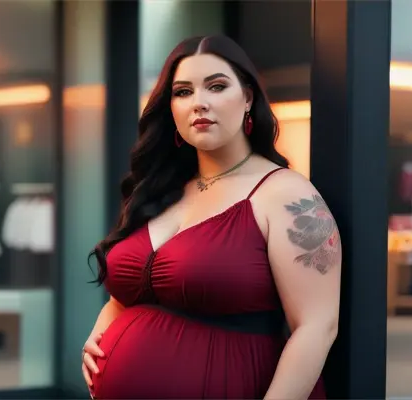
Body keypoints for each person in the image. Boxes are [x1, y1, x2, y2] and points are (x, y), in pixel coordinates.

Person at [81, 35, 341, 399]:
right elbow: (126, 296)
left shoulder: (286, 195)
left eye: (217, 86)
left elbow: (317, 326)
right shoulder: (158, 190)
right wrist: (100, 333)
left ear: (248, 97)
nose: (199, 103)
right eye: (183, 92)